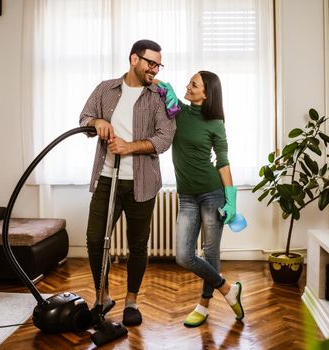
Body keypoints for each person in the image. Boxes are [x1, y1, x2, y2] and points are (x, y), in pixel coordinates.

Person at [79, 39, 176, 327]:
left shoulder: (159, 95)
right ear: (134, 59)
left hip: (142, 183)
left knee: (138, 244)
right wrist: (96, 122)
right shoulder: (105, 89)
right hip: (108, 179)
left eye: (159, 64)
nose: (155, 69)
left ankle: (132, 300)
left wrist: (129, 147)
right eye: (151, 63)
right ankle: (103, 296)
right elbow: (83, 117)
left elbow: (165, 138)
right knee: (95, 239)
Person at [157, 71, 244, 327]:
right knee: (183, 256)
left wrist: (231, 200)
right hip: (187, 196)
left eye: (193, 84)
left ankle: (204, 306)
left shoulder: (216, 124)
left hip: (212, 193)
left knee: (210, 251)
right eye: (189, 82)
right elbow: (158, 84)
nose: (188, 86)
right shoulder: (179, 112)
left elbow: (223, 162)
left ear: (206, 94)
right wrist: (161, 81)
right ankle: (229, 289)